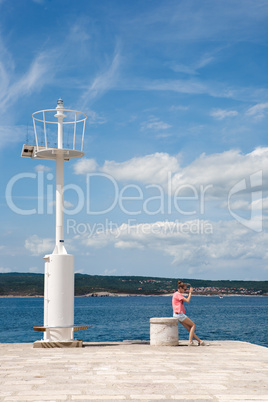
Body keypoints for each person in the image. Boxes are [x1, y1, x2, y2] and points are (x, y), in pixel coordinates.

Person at [172, 280, 207, 346]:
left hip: (176, 314)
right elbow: (187, 300)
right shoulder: (178, 295)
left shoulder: (175, 294)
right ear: (180, 288)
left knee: (189, 328)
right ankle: (190, 342)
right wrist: (190, 293)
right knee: (193, 325)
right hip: (179, 314)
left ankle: (200, 341)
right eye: (184, 289)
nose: (185, 291)